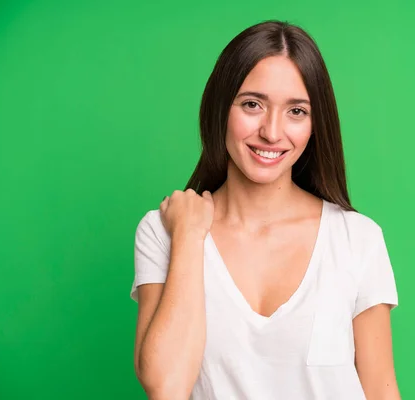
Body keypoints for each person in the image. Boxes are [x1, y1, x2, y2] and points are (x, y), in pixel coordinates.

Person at [130, 20, 400, 400]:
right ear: (220, 108)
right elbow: (166, 386)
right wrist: (189, 236)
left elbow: (380, 390)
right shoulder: (164, 231)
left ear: (315, 124)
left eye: (296, 111)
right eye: (252, 104)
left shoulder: (357, 239)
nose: (272, 132)